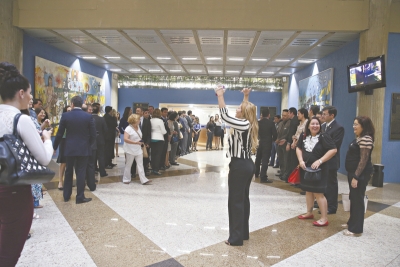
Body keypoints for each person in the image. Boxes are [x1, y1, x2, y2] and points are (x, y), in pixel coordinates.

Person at [0, 62, 53, 266]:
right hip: (13, 190)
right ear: (21, 93)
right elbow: (44, 158)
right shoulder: (19, 120)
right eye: (30, 93)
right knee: (9, 250)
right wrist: (47, 139)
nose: (32, 98)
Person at [216, 87, 258, 246]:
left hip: (240, 166)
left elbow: (224, 115)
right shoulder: (249, 123)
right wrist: (246, 96)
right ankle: (243, 233)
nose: (237, 108)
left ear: (244, 113)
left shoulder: (243, 124)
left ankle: (235, 238)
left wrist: (220, 96)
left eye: (239, 108)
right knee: (243, 200)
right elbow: (245, 109)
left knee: (235, 201)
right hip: (247, 164)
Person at [53, 95, 96, 204]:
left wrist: (54, 147)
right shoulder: (88, 116)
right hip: (83, 148)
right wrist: (88, 145)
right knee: (81, 172)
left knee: (68, 171)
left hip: (69, 148)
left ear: (72, 104)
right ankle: (80, 196)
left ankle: (66, 195)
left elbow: (59, 133)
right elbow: (93, 135)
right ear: (81, 104)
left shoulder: (66, 116)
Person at [296, 117, 337, 226]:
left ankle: (324, 218)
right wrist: (300, 160)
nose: (315, 126)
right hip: (306, 168)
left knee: (319, 193)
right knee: (308, 191)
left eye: (317, 124)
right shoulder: (303, 136)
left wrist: (320, 161)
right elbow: (298, 148)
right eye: (312, 124)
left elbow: (333, 149)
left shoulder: (324, 136)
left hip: (320, 169)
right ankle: (309, 212)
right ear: (308, 126)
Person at [343, 116, 374, 236]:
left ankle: (356, 229)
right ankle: (352, 222)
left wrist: (356, 176)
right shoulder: (360, 137)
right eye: (353, 124)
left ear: (363, 126)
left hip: (360, 174)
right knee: (353, 198)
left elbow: (363, 160)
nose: (353, 127)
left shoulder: (366, 139)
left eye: (356, 125)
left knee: (357, 200)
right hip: (354, 173)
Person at [321, 106, 344, 214]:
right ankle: (324, 204)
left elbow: (334, 145)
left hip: (331, 160)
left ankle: (332, 206)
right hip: (322, 159)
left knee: (331, 184)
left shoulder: (338, 128)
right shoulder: (323, 126)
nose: (323, 116)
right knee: (324, 183)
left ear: (332, 115)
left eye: (325, 114)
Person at [122, 114, 152, 185]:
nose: (139, 121)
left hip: (138, 149)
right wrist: (135, 142)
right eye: (138, 119)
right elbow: (125, 139)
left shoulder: (138, 127)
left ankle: (143, 179)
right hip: (130, 149)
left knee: (140, 164)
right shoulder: (128, 128)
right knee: (129, 164)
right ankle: (126, 178)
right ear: (134, 120)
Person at [254, 108, 277, 183]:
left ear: (262, 115)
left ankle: (256, 173)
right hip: (267, 143)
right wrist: (273, 140)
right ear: (268, 115)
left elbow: (256, 133)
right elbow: (275, 135)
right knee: (265, 160)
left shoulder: (258, 123)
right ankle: (263, 176)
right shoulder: (271, 123)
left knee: (258, 159)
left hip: (260, 142)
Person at [57, 105, 72, 190]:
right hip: (64, 140)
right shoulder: (64, 119)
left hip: (72, 140)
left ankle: (68, 181)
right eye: (68, 110)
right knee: (63, 161)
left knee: (70, 162)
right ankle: (60, 181)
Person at [92, 103, 108, 178]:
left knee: (92, 157)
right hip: (100, 140)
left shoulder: (89, 118)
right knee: (101, 156)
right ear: (98, 111)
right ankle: (102, 172)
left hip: (91, 141)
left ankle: (93, 170)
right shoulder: (101, 119)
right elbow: (105, 130)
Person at [150, 108, 167, 175]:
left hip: (152, 138)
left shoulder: (150, 120)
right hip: (159, 139)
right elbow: (163, 131)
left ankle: (152, 167)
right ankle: (156, 169)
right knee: (158, 155)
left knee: (153, 154)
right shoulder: (160, 121)